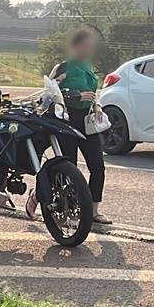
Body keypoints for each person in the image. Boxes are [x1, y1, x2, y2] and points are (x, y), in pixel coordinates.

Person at [31, 28, 109, 223]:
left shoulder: (88, 66)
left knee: (98, 166)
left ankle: (93, 211)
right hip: (66, 119)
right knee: (68, 167)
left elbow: (92, 92)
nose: (89, 50)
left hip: (86, 120)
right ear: (76, 46)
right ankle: (40, 197)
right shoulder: (64, 67)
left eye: (91, 47)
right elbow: (49, 94)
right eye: (86, 46)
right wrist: (76, 96)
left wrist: (97, 106)